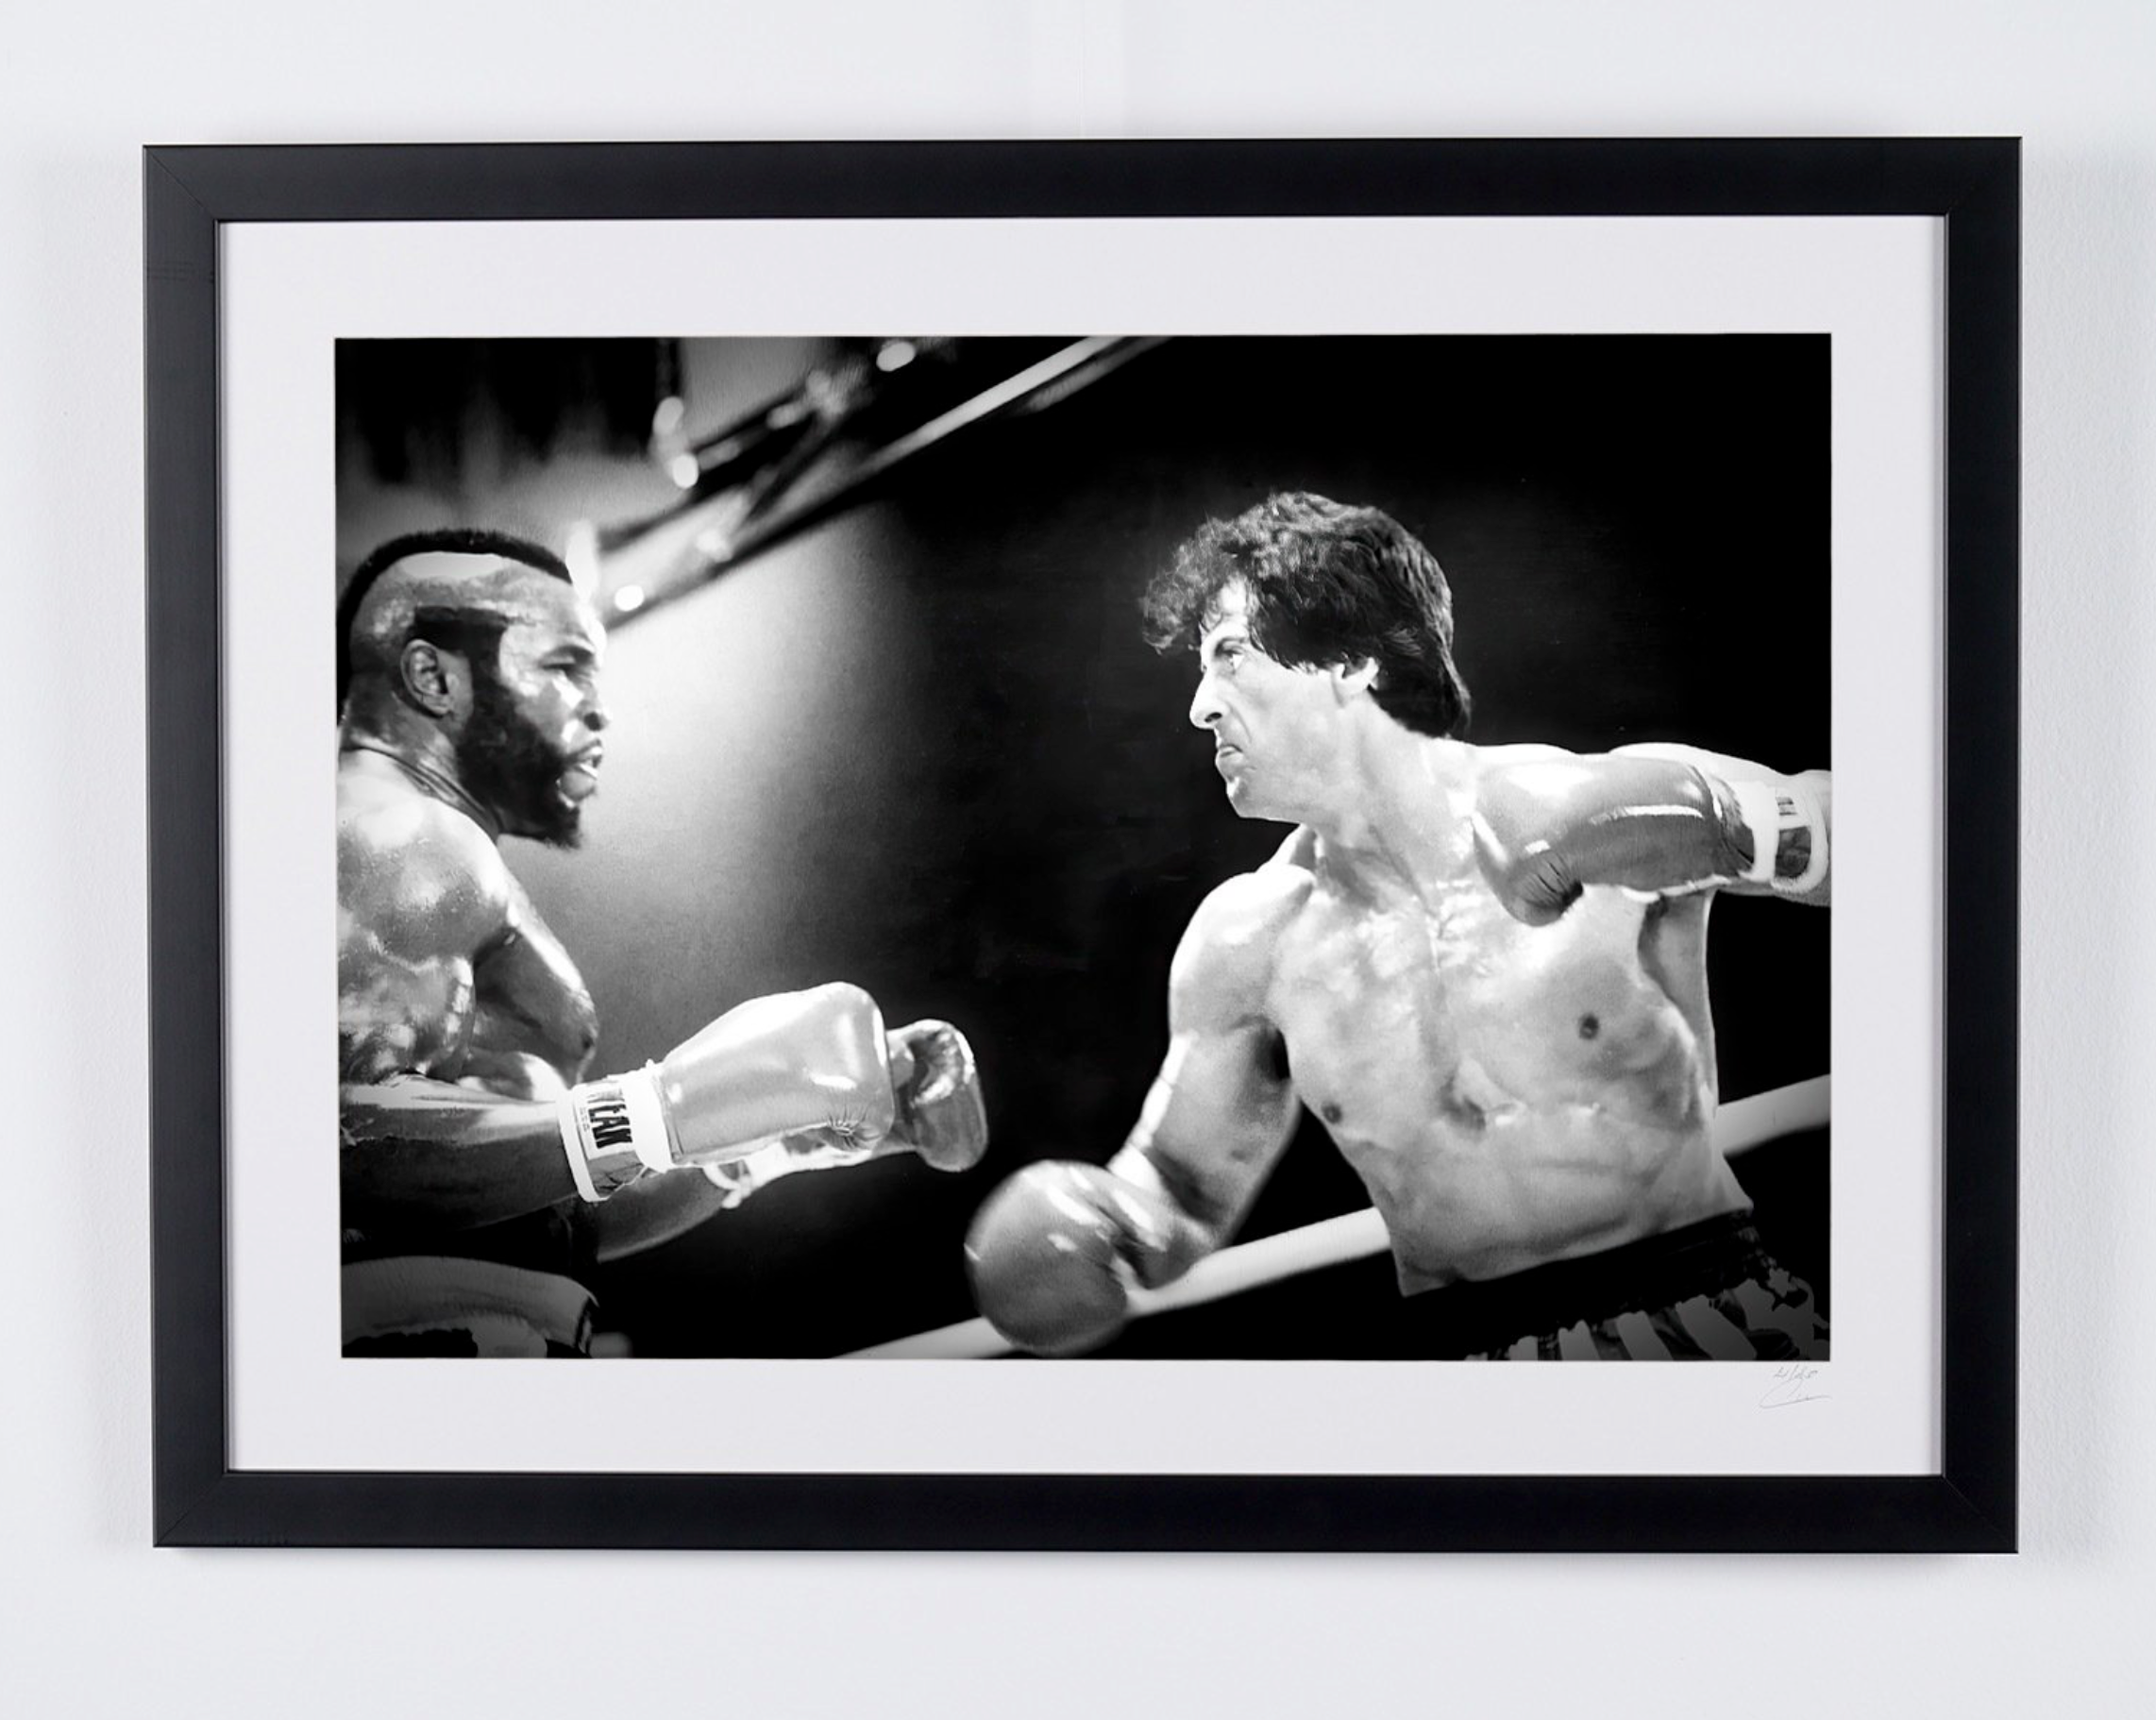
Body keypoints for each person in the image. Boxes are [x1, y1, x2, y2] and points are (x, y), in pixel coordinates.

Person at [965, 492, 1828, 1361]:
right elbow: (1181, 1183)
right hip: (1474, 1363)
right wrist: (1112, 1216)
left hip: (1709, 1308)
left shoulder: (1611, 795)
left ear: (1347, 661)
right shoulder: (1250, 939)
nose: (1201, 707)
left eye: (1229, 655)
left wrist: (1728, 822)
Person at [337, 528, 986, 1357]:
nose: (598, 707)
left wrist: (753, 1137)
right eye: (565, 667)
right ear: (434, 679)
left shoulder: (438, 858)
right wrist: (661, 1107)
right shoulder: (400, 831)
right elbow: (343, 1145)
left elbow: (546, 1214)